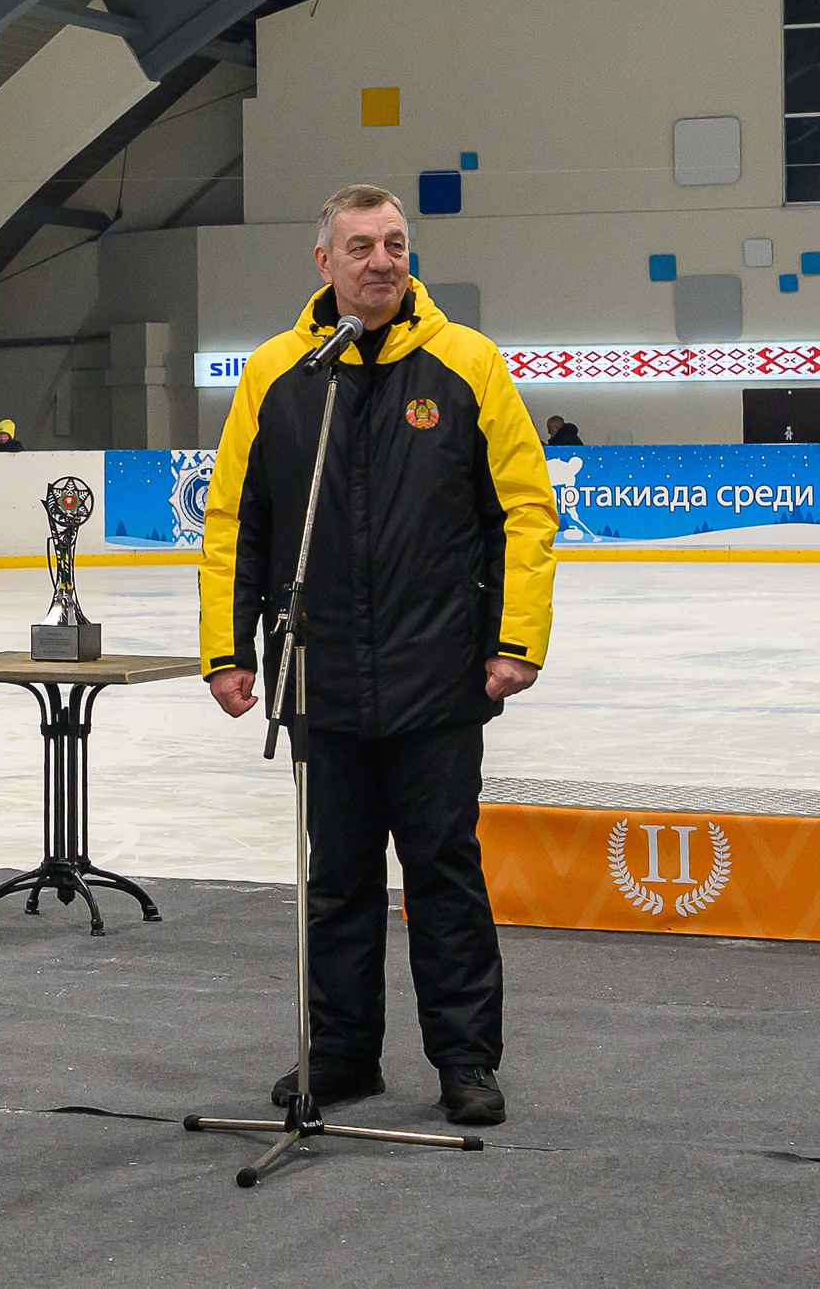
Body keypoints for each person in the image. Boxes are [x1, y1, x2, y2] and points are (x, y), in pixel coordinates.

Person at [200, 183, 554, 1130]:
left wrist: (515, 639)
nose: (381, 261)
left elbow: (524, 511)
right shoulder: (277, 373)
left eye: (395, 243)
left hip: (438, 672)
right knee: (339, 879)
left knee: (444, 872)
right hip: (320, 674)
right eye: (360, 246)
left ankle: (466, 1057)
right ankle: (343, 1054)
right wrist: (230, 649)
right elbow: (236, 521)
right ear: (324, 262)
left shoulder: (468, 361)